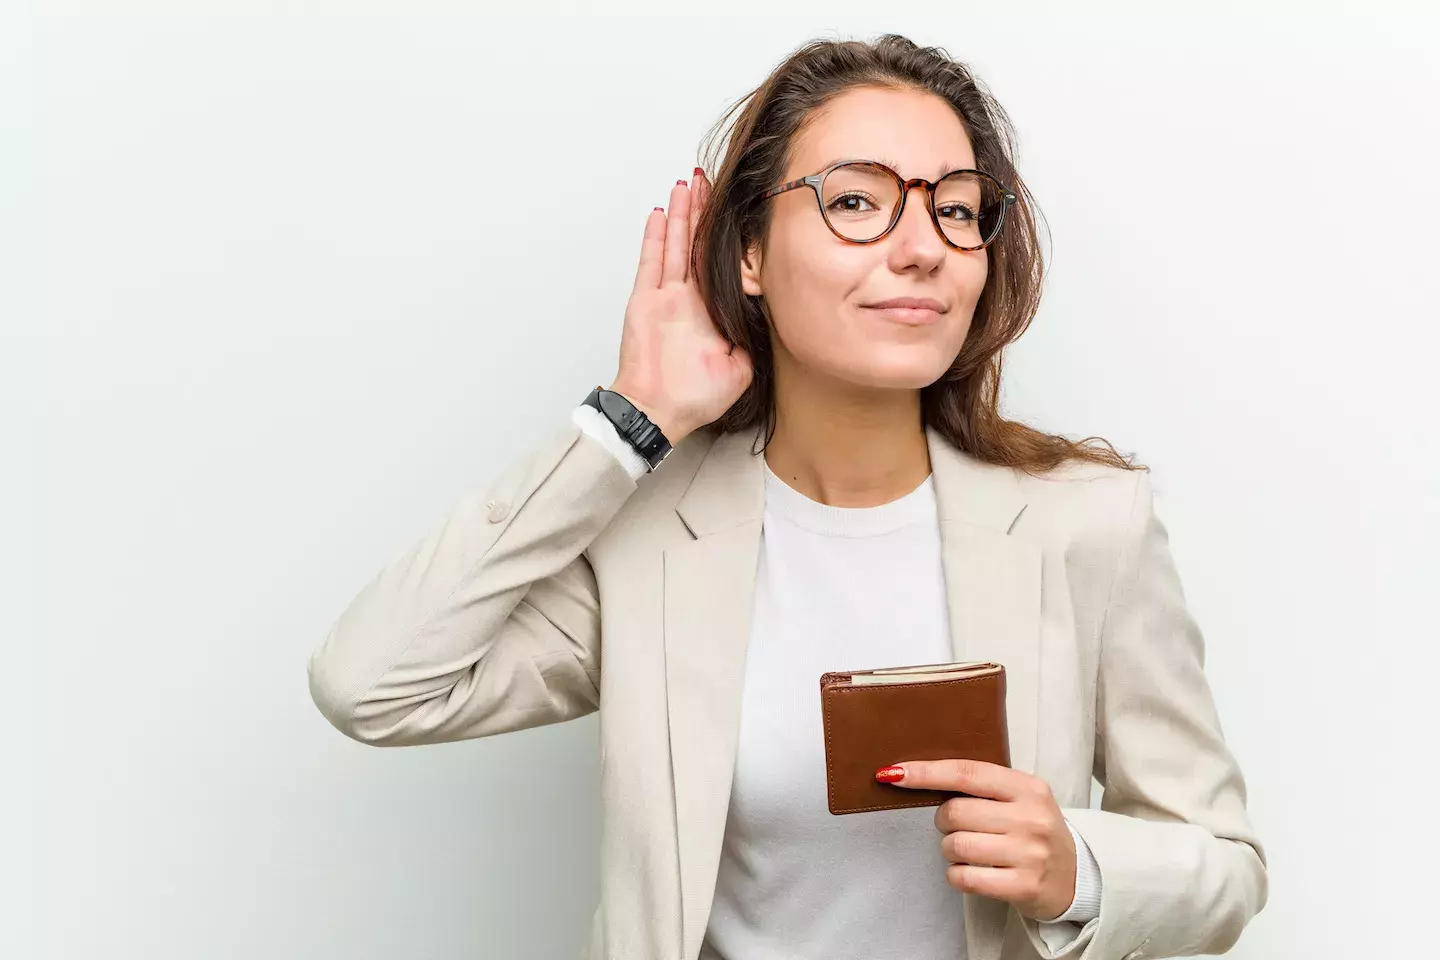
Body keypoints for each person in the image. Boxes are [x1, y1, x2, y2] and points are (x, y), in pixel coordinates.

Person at [307, 33, 1267, 960]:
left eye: (957, 209)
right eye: (855, 201)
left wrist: (1079, 871)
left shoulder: (1087, 523)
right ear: (750, 255)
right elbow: (372, 687)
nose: (923, 247)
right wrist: (632, 420)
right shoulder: (652, 539)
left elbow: (1225, 865)